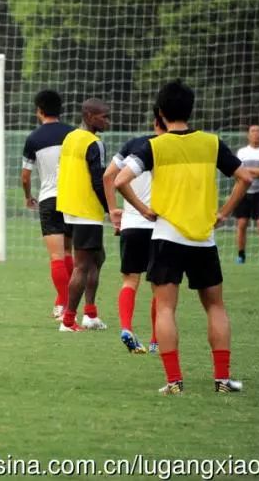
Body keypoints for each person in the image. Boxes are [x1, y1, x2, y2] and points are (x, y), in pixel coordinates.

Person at [114, 80, 252, 395]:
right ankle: (222, 380)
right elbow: (244, 178)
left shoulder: (153, 146)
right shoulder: (212, 143)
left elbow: (121, 180)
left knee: (165, 309)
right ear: (191, 109)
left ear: (161, 113)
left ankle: (174, 381)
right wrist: (224, 212)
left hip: (166, 237)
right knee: (215, 307)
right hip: (203, 238)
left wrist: (144, 209)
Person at [103, 109, 167, 354]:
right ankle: (154, 340)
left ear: (154, 122)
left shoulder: (134, 144)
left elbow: (108, 176)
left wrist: (113, 210)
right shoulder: (173, 149)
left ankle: (126, 327)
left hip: (131, 224)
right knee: (160, 287)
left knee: (130, 280)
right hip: (160, 227)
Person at [56, 98, 111, 332]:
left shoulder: (70, 137)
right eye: (104, 116)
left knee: (98, 258)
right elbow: (99, 181)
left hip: (69, 207)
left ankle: (90, 315)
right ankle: (68, 321)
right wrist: (111, 208)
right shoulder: (93, 143)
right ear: (89, 116)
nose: (108, 121)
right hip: (86, 210)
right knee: (82, 266)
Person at [21, 90, 75, 321]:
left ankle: (63, 303)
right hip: (73, 198)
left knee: (56, 256)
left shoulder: (34, 138)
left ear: (39, 111)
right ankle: (69, 304)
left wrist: (28, 196)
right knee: (70, 252)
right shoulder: (74, 134)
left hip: (49, 198)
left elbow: (25, 176)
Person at [234, 124, 259, 264]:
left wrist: (248, 171)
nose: (256, 133)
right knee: (241, 223)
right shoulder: (242, 152)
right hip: (243, 192)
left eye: (258, 131)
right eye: (253, 131)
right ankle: (241, 256)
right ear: (248, 135)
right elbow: (239, 173)